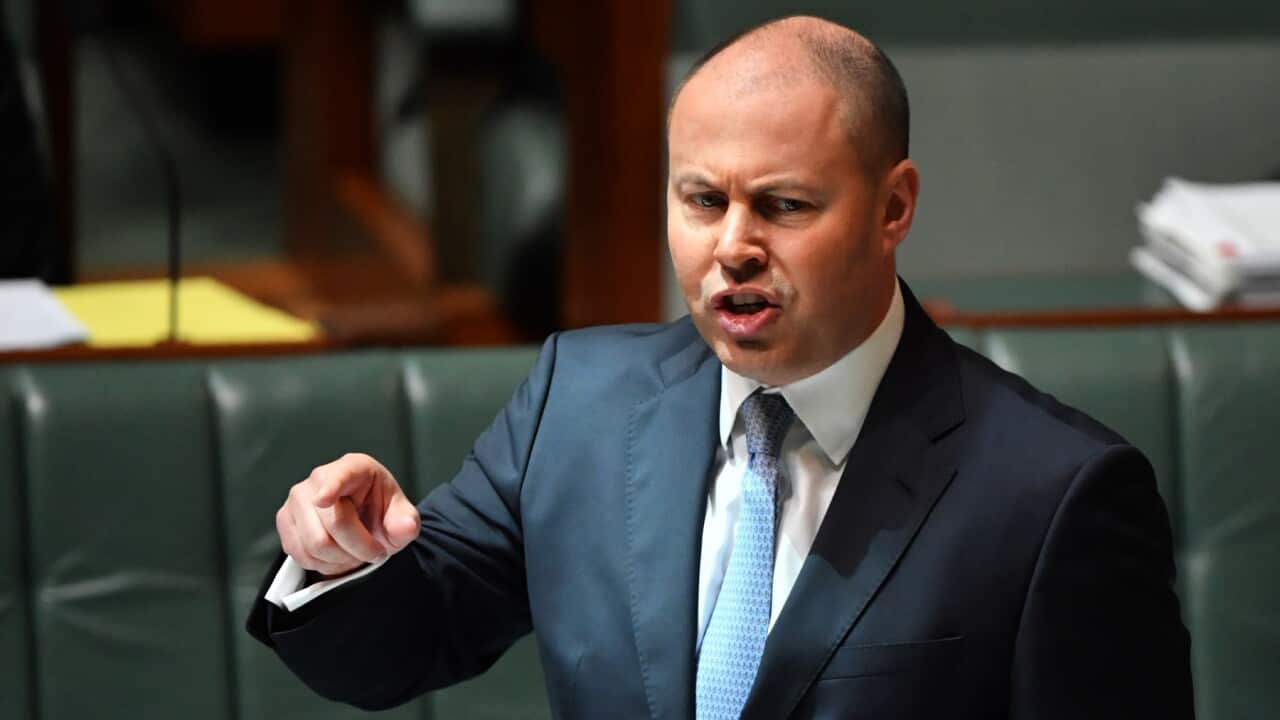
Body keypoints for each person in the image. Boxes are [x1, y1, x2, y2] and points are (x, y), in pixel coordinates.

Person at [248, 15, 1193, 719]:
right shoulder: (577, 401)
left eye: (783, 206)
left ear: (893, 206)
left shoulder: (1055, 495)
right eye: (701, 200)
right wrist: (336, 558)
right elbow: (400, 645)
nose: (731, 247)